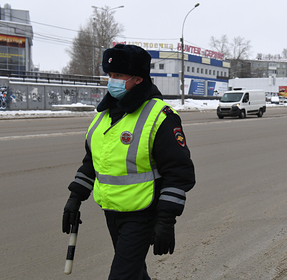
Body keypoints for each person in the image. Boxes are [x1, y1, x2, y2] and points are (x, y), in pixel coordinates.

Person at [62, 44, 195, 280]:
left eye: (119, 76)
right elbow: (92, 163)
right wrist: (75, 198)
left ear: (138, 79)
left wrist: (166, 219)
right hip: (111, 210)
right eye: (110, 75)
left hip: (143, 212)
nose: (112, 81)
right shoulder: (103, 117)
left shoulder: (160, 116)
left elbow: (179, 171)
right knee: (134, 273)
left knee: (122, 276)